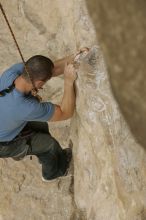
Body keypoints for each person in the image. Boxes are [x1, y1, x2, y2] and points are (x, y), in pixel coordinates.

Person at [0, 51, 80, 181]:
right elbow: (66, 113)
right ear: (38, 83)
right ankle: (52, 173)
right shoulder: (26, 107)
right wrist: (68, 81)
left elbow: (48, 70)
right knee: (49, 145)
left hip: (5, 121)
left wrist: (74, 58)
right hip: (3, 144)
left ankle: (37, 152)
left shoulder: (12, 73)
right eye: (44, 83)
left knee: (41, 124)